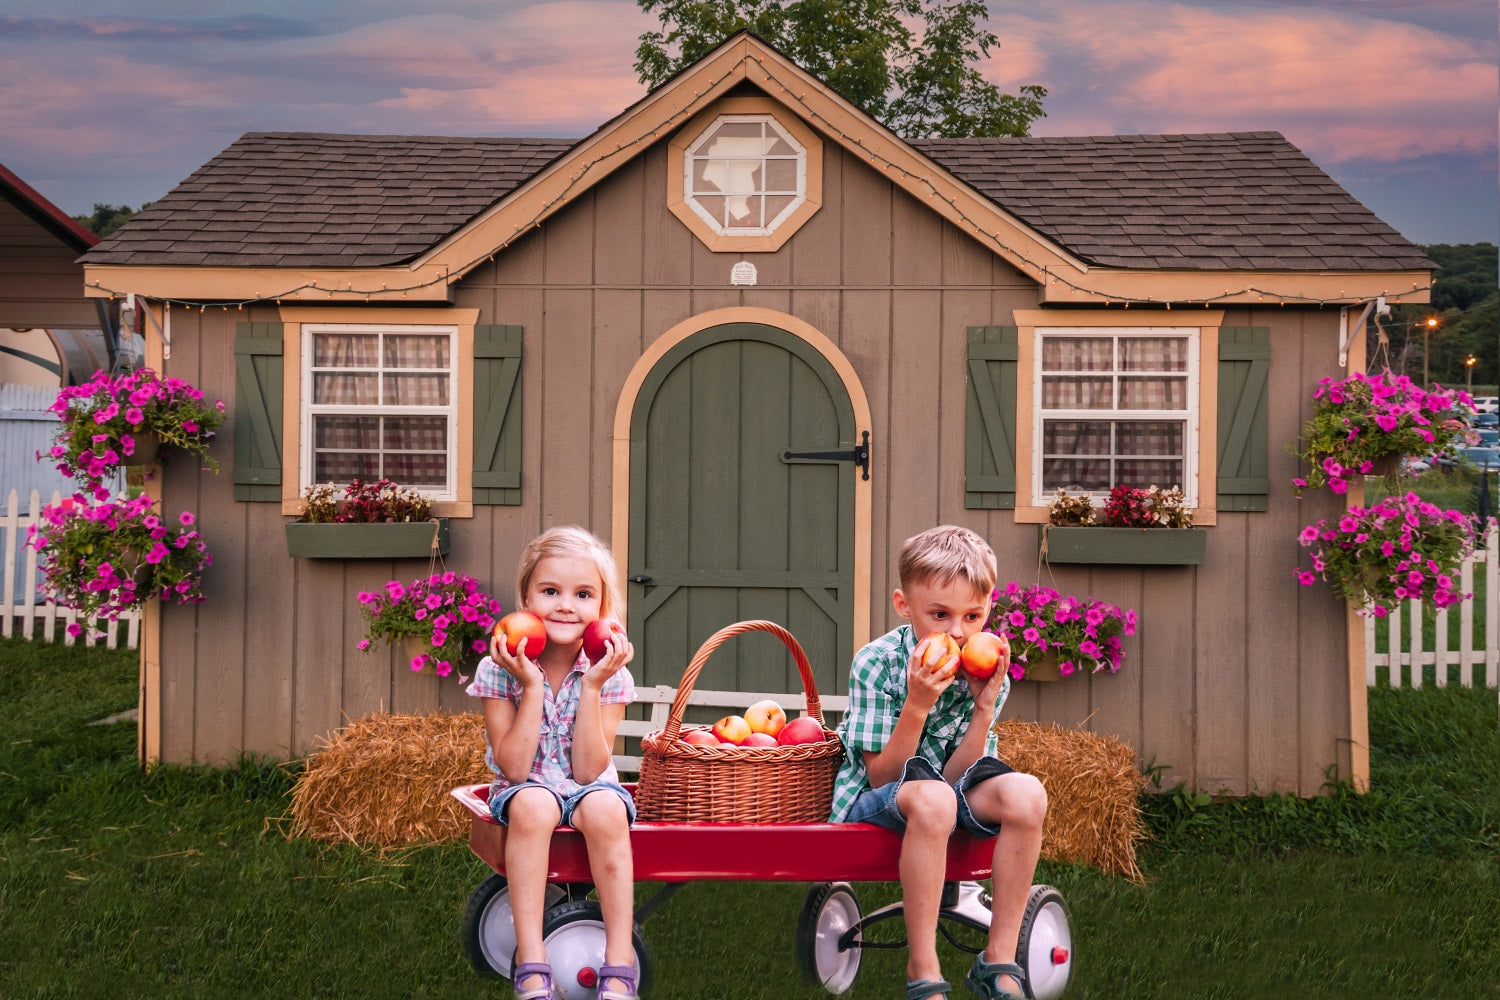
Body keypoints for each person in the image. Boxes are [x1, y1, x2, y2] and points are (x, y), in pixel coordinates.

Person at [829, 525, 1048, 1000]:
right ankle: (923, 967)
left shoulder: (987, 667)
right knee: (932, 800)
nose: (958, 632)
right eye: (940, 615)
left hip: (945, 792)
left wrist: (983, 709)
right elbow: (882, 776)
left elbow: (957, 779)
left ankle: (998, 959)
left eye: (973, 616)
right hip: (876, 798)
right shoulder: (877, 663)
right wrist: (917, 704)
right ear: (903, 605)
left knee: (1028, 793)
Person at [466, 526, 639, 1000]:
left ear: (602, 606)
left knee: (606, 809)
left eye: (583, 594)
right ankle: (532, 960)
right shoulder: (498, 667)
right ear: (525, 597)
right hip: (525, 784)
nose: (566, 605)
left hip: (588, 784)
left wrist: (592, 685)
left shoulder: (610, 672)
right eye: (550, 591)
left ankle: (619, 959)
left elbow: (588, 771)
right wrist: (532, 685)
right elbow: (515, 769)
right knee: (535, 804)